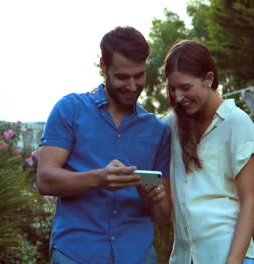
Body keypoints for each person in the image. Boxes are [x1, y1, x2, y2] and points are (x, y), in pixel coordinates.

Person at [36, 26, 171, 264]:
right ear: (103, 67)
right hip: (76, 254)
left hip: (137, 256)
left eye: (139, 75)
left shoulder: (157, 131)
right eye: (122, 77)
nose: (132, 85)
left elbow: (162, 216)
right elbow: (45, 179)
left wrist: (154, 197)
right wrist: (100, 179)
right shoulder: (71, 110)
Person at [163, 39, 254, 264]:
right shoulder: (171, 126)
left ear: (208, 79)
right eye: (173, 89)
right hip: (184, 258)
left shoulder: (237, 123)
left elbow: (250, 201)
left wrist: (233, 262)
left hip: (229, 255)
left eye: (186, 87)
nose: (178, 97)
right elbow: (139, 127)